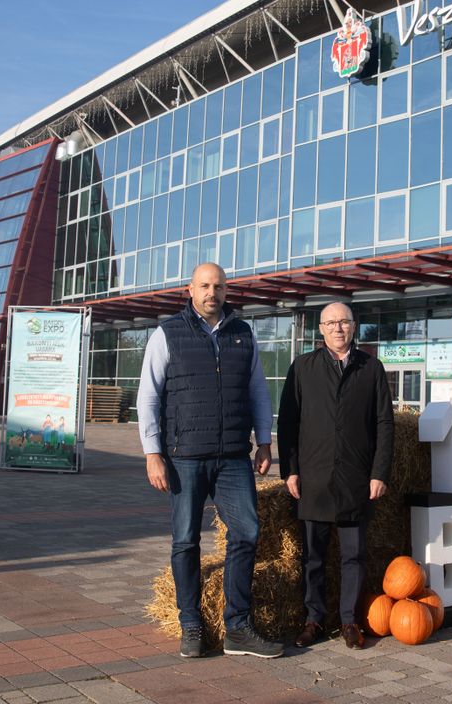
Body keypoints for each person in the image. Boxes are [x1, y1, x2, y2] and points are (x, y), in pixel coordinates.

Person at [137, 262, 283, 660]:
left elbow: (257, 391)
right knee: (186, 540)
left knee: (247, 532)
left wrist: (265, 442)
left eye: (218, 286)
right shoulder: (167, 334)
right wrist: (153, 453)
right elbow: (148, 396)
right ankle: (191, 624)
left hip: (233, 456)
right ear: (190, 289)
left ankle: (237, 627)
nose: (211, 293)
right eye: (204, 285)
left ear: (225, 290)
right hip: (184, 457)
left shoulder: (242, 333)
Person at [278, 302, 394, 650]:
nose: (337, 328)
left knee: (354, 555)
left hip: (356, 478)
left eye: (343, 322)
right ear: (321, 329)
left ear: (354, 326)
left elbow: (384, 424)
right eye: (330, 323)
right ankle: (313, 620)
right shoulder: (302, 368)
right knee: (313, 556)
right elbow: (287, 423)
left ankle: (348, 621)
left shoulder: (371, 368)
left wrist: (379, 472)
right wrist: (291, 469)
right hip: (313, 478)